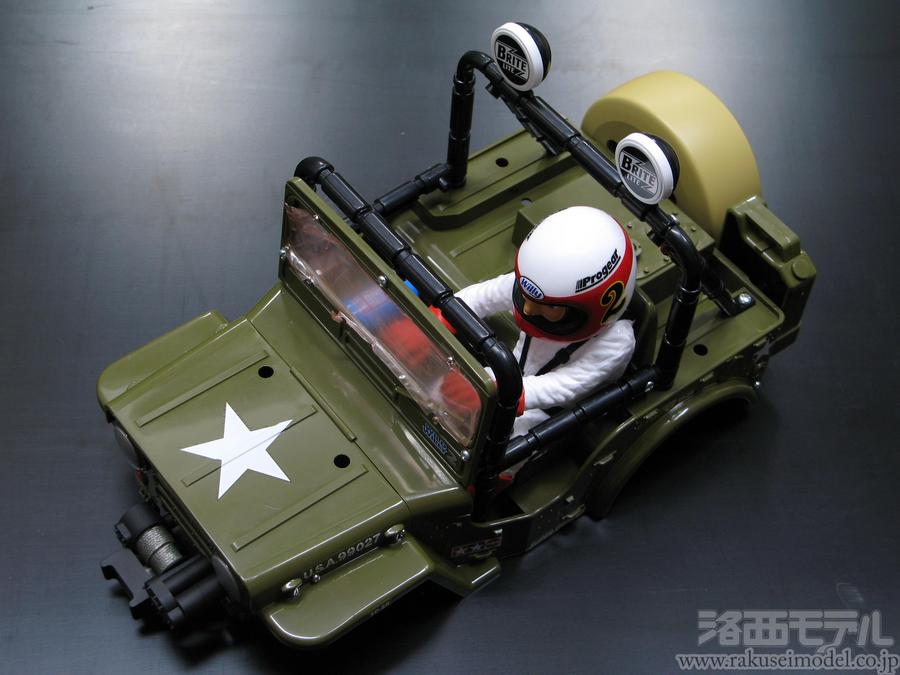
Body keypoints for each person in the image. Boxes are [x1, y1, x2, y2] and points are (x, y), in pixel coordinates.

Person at [447, 206, 637, 436]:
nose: (527, 309)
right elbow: (486, 296)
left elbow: (564, 386)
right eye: (525, 297)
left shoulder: (616, 342)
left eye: (551, 307)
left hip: (550, 414)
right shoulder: (537, 287)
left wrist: (496, 390)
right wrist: (442, 316)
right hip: (511, 378)